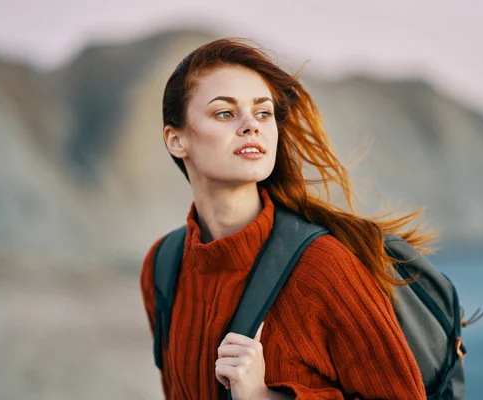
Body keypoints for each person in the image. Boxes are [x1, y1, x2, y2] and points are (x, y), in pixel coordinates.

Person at [140, 38, 432, 400]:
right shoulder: (163, 266)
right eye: (226, 113)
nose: (251, 125)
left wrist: (264, 397)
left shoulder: (325, 268)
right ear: (176, 140)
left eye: (263, 112)